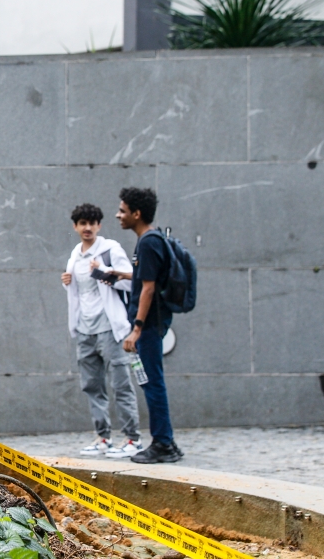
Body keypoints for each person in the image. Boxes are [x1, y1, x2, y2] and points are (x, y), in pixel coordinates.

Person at [61, 203, 144, 459]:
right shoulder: (75, 254)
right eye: (83, 223)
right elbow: (80, 292)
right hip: (84, 329)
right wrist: (68, 282)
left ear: (99, 225)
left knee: (121, 384)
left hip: (110, 328)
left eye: (92, 223)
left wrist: (104, 271)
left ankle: (132, 439)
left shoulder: (110, 250)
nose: (87, 228)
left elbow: (133, 282)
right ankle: (103, 438)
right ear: (75, 226)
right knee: (92, 385)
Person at [114, 187, 184, 463]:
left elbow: (148, 288)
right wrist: (118, 273)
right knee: (153, 382)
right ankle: (167, 441)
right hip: (153, 322)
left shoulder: (148, 242)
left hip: (149, 325)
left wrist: (137, 328)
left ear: (137, 213)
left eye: (123, 210)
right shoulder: (151, 241)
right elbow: (143, 278)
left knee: (153, 383)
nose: (119, 215)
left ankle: (163, 444)